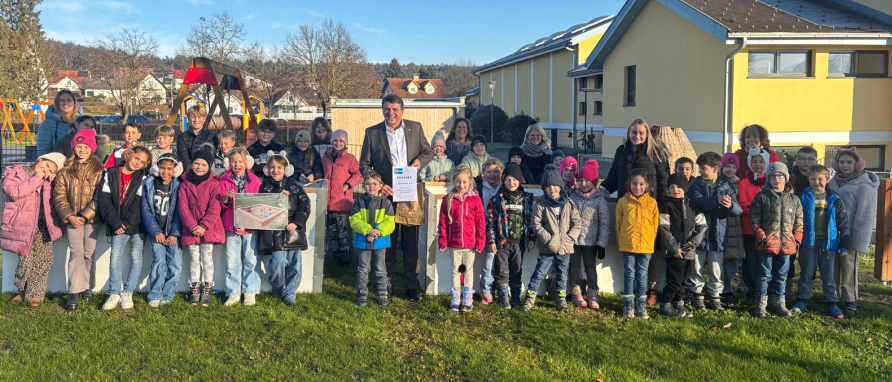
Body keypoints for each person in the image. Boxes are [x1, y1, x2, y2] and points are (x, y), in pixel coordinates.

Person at [359, 94, 433, 302]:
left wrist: (419, 162)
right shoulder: (372, 133)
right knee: (387, 241)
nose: (390, 113)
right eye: (387, 109)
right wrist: (379, 185)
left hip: (410, 193)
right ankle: (387, 283)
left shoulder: (415, 128)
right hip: (386, 195)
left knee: (410, 242)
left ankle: (412, 284)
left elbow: (428, 152)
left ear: (402, 110)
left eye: (394, 109)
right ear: (382, 110)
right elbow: (364, 165)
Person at [1, 153, 65, 307]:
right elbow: (15, 193)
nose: (46, 169)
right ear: (40, 159)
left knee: (44, 260)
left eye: (51, 169)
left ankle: (35, 294)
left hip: (43, 224)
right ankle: (21, 290)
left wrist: (54, 178)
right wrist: (38, 178)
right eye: (47, 164)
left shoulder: (50, 180)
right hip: (22, 225)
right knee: (26, 261)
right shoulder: (14, 172)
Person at [53, 130, 104, 311]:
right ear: (74, 147)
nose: (82, 150)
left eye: (86, 147)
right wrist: (70, 216)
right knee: (76, 253)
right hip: (72, 219)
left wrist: (85, 215)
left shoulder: (99, 169)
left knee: (89, 252)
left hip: (92, 219)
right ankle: (73, 292)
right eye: (79, 146)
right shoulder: (65, 170)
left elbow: (100, 195)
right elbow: (59, 196)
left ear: (92, 148)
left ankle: (87, 286)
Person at [98, 146, 152, 311]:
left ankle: (127, 292)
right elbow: (104, 200)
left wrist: (126, 225)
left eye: (142, 162)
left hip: (137, 225)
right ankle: (114, 293)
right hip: (117, 224)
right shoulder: (111, 173)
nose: (138, 163)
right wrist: (116, 223)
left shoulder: (143, 178)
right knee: (115, 257)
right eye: (137, 158)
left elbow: (138, 204)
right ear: (129, 155)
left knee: (136, 257)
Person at [523, 164, 581, 313]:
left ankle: (560, 299)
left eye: (555, 185)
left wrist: (570, 238)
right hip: (547, 247)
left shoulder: (569, 203)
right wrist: (547, 238)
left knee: (562, 275)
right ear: (544, 188)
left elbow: (577, 223)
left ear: (560, 186)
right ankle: (529, 299)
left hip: (565, 247)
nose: (552, 189)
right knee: (539, 274)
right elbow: (535, 223)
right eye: (548, 186)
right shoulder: (541, 203)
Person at [688, 152, 742, 312]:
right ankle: (697, 295)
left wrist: (730, 205)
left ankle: (715, 297)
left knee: (716, 267)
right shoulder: (697, 185)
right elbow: (695, 202)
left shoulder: (726, 187)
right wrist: (715, 201)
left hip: (718, 236)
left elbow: (738, 211)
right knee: (697, 266)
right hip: (699, 235)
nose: (701, 172)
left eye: (703, 169)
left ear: (715, 168)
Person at [794, 164, 848, 319]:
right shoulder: (802, 197)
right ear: (808, 179)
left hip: (828, 244)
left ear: (827, 179)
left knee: (828, 276)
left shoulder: (834, 198)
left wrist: (844, 244)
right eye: (813, 179)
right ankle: (802, 300)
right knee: (806, 273)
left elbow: (843, 222)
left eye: (820, 179)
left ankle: (832, 303)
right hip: (808, 243)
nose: (816, 182)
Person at [828, 147, 879, 311]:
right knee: (832, 265)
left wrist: (858, 239)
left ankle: (850, 299)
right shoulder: (833, 181)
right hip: (833, 232)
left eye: (849, 162)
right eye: (842, 162)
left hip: (849, 233)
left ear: (857, 164)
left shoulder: (864, 185)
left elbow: (865, 214)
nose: (845, 165)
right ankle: (832, 295)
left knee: (849, 266)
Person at [749, 162, 803, 318]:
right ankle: (760, 305)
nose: (776, 179)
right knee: (764, 275)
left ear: (785, 178)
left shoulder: (794, 200)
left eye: (780, 176)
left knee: (781, 276)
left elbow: (799, 221)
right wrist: (762, 236)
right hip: (767, 245)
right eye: (773, 176)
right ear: (768, 178)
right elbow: (754, 219)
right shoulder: (761, 197)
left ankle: (780, 304)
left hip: (787, 245)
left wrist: (796, 238)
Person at [258, 151, 311, 305]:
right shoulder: (264, 187)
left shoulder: (295, 186)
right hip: (274, 233)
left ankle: (290, 293)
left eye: (279, 167)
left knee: (295, 264)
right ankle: (277, 285)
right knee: (278, 262)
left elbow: (305, 206)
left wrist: (297, 222)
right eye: (272, 167)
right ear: (268, 169)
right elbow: (261, 208)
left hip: (293, 232)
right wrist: (277, 197)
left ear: (285, 169)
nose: (276, 170)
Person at [178, 149, 225, 307]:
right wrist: (193, 226)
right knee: (194, 260)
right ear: (191, 165)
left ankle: (207, 288)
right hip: (190, 230)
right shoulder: (185, 184)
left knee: (207, 259)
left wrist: (203, 225)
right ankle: (194, 289)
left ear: (209, 166)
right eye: (197, 163)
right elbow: (183, 209)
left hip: (208, 229)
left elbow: (215, 207)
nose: (199, 167)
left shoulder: (214, 184)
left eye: (204, 164)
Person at [657, 173, 706, 318]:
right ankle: (665, 305)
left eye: (679, 186)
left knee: (685, 279)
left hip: (689, 250)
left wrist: (692, 243)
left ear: (685, 188)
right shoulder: (665, 205)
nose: (675, 189)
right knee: (674, 280)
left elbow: (702, 226)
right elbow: (664, 228)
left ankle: (679, 304)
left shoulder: (693, 204)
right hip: (674, 250)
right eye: (672, 187)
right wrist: (674, 248)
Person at [486, 163, 535, 309]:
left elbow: (532, 220)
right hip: (502, 243)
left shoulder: (527, 199)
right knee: (502, 271)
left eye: (514, 179)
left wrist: (531, 238)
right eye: (508, 179)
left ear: (520, 180)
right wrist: (492, 240)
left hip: (519, 243)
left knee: (516, 271)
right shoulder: (496, 199)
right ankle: (503, 298)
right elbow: (490, 221)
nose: (511, 183)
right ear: (503, 180)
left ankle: (515, 298)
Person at [438, 166, 486, 312]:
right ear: (454, 181)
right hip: (454, 243)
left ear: (470, 181)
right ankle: (456, 297)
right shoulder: (448, 200)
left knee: (468, 271)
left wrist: (480, 241)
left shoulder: (475, 200)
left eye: (464, 182)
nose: (461, 185)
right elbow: (443, 222)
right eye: (458, 182)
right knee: (456, 270)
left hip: (470, 244)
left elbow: (480, 222)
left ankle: (467, 298)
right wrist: (443, 240)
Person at [219, 148, 262, 307]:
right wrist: (225, 199)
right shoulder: (223, 180)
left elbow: (256, 205)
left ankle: (250, 292)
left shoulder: (255, 181)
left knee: (251, 259)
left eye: (240, 162)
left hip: (250, 227)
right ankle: (233, 292)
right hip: (231, 226)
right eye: (233, 161)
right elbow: (222, 207)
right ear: (228, 163)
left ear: (247, 163)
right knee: (232, 261)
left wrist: (245, 225)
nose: (237, 165)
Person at [141, 153, 184, 308]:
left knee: (175, 264)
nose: (166, 172)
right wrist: (156, 232)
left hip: (173, 233)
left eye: (170, 169)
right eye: (163, 168)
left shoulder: (179, 185)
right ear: (156, 168)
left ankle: (168, 293)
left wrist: (174, 233)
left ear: (176, 170)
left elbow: (180, 211)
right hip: (157, 232)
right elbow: (146, 210)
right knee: (158, 262)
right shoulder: (149, 184)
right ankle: (155, 294)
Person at [615, 168, 659, 319]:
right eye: (634, 183)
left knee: (642, 275)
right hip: (628, 244)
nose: (637, 187)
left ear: (646, 185)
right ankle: (628, 304)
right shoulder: (623, 202)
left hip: (646, 246)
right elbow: (618, 224)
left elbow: (655, 226)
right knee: (629, 274)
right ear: (629, 183)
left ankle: (641, 304)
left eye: (641, 184)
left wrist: (649, 242)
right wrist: (622, 241)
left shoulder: (652, 203)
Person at [567, 159, 610, 310]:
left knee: (590, 267)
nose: (584, 184)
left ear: (594, 182)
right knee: (574, 267)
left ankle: (593, 293)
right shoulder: (573, 196)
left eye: (587, 181)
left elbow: (604, 222)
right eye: (581, 180)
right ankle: (576, 292)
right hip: (573, 239)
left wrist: (601, 243)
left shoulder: (600, 200)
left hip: (591, 241)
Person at [350, 170, 395, 307]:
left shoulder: (386, 203)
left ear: (381, 186)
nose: (371, 186)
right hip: (363, 242)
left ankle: (383, 294)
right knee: (363, 268)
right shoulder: (359, 202)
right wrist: (368, 230)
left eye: (375, 184)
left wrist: (377, 232)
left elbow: (390, 223)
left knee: (381, 268)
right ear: (363, 186)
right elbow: (354, 220)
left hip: (380, 242)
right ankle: (362, 294)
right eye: (368, 184)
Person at [601, 118, 670, 200]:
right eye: (634, 132)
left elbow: (663, 182)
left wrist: (663, 206)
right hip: (625, 204)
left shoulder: (656, 153)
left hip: (648, 205)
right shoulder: (621, 151)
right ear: (629, 133)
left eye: (641, 133)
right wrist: (598, 190)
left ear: (647, 134)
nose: (637, 136)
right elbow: (613, 178)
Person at [322, 129, 363, 266]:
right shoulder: (325, 158)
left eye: (341, 141)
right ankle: (336, 258)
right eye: (335, 140)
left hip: (342, 202)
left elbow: (359, 174)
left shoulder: (349, 158)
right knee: (332, 232)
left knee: (343, 232)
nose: (338, 143)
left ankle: (346, 259)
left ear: (345, 143)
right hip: (327, 201)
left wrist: (348, 184)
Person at [738, 150, 769, 301]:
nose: (757, 164)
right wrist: (758, 212)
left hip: (767, 229)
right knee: (750, 260)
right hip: (749, 228)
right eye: (755, 161)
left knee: (764, 260)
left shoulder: (770, 182)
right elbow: (743, 204)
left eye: (761, 162)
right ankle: (751, 289)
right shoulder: (744, 182)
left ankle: (764, 290)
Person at [475, 158, 503, 304]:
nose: (492, 175)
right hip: (485, 227)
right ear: (483, 173)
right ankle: (486, 290)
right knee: (488, 261)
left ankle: (500, 289)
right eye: (489, 172)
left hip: (501, 228)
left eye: (496, 172)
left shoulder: (504, 186)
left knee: (502, 261)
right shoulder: (479, 186)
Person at [720, 153, 746, 300]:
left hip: (736, 225)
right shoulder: (717, 182)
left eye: (733, 167)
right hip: (722, 224)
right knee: (721, 258)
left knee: (734, 259)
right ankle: (722, 286)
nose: (730, 169)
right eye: (727, 166)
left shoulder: (739, 183)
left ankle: (728, 284)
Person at [37, 89, 79, 156]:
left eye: (69, 100)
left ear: (74, 103)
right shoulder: (47, 124)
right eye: (62, 100)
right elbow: (43, 150)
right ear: (57, 103)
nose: (65, 103)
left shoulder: (82, 122)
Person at [177, 105, 219, 171]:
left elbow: (211, 155)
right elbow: (183, 156)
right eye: (193, 117)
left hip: (206, 170)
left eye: (199, 117)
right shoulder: (182, 137)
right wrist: (191, 169)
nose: (196, 120)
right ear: (188, 118)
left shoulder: (212, 136)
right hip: (188, 172)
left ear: (204, 119)